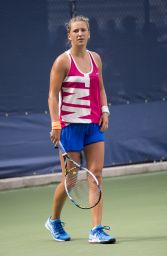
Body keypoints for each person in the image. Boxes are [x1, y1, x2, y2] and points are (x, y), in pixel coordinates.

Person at [45, 15, 116, 244]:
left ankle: (96, 230)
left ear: (89, 33)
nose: (80, 34)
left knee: (96, 175)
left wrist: (105, 110)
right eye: (75, 31)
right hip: (69, 128)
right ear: (69, 35)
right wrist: (56, 124)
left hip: (93, 125)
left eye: (83, 30)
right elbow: (52, 96)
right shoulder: (61, 62)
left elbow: (101, 87)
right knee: (72, 180)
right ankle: (54, 220)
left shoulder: (96, 58)